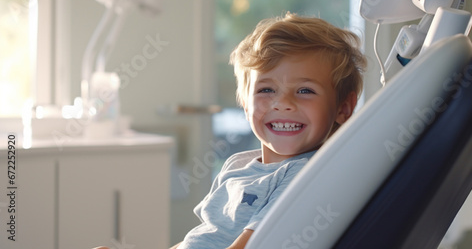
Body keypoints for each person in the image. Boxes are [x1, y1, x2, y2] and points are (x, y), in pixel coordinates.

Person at [94, 12, 366, 249]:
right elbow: (201, 237)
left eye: (305, 90)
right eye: (266, 90)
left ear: (343, 107)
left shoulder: (303, 175)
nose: (283, 103)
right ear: (245, 104)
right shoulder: (238, 165)